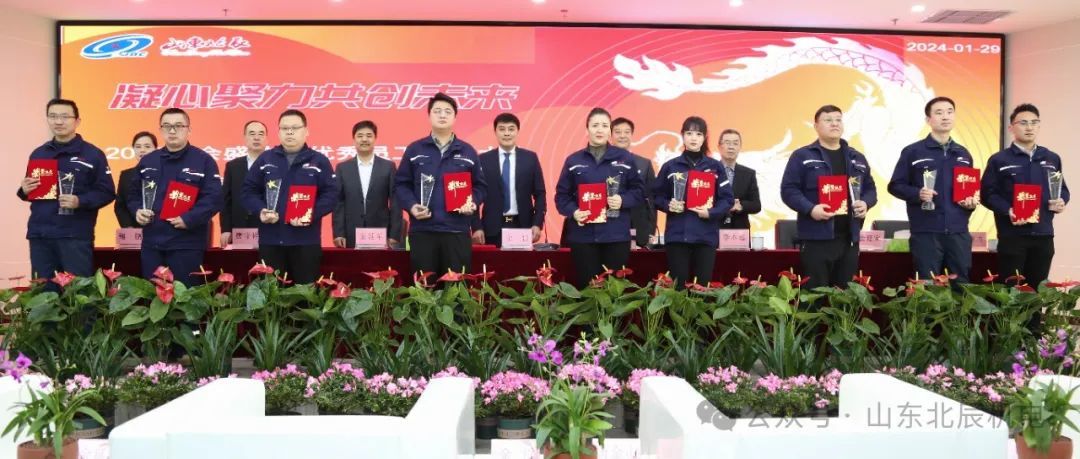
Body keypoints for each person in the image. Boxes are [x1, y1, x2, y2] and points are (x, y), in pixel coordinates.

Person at [780, 105, 877, 289]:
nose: (834, 124)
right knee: (814, 295)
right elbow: (789, 190)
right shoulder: (803, 156)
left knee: (844, 296)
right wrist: (811, 209)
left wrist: (866, 203)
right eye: (828, 120)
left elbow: (871, 189)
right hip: (816, 239)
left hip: (849, 239)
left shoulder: (857, 157)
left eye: (838, 120)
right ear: (816, 126)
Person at [19, 98, 115, 283]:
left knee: (77, 292)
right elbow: (31, 191)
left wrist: (80, 201)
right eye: (53, 116)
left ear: (77, 121)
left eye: (64, 116)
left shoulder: (93, 154)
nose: (58, 121)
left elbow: (106, 192)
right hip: (40, 235)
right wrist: (24, 190)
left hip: (74, 236)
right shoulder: (39, 153)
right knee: (43, 293)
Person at [127, 107, 222, 286]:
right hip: (153, 243)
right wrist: (137, 211)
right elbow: (132, 194)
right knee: (153, 295)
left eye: (178, 126)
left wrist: (189, 218)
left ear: (189, 129)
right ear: (160, 129)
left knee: (185, 296)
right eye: (167, 126)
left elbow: (214, 198)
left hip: (186, 243)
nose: (172, 131)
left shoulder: (203, 160)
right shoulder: (148, 161)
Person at [887, 97, 978, 283]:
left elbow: (969, 191)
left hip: (958, 232)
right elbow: (895, 185)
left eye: (950, 112)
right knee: (928, 286)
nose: (945, 116)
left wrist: (971, 204)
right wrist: (917, 193)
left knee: (961, 285)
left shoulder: (963, 154)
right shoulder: (913, 152)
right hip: (926, 232)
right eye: (939, 112)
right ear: (928, 120)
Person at [394, 92, 486, 276]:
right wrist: (412, 206)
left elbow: (480, 186)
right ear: (429, 116)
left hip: (457, 231)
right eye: (437, 111)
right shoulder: (415, 149)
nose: (442, 115)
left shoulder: (467, 151)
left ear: (455, 117)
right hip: (422, 231)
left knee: (457, 287)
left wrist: (473, 202)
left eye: (447, 111)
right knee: (424, 287)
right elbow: (401, 184)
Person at [242, 110, 339, 284]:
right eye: (285, 128)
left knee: (305, 294)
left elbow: (331, 194)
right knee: (272, 295)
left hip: (305, 242)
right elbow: (248, 190)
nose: (290, 132)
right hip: (271, 240)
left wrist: (311, 214)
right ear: (278, 132)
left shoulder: (319, 161)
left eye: (295, 128)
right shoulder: (265, 159)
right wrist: (260, 210)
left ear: (306, 131)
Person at [981, 103, 1069, 290]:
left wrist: (1061, 201)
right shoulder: (999, 160)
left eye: (1034, 122)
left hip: (1043, 235)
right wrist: (1008, 210)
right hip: (1012, 236)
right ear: (1011, 127)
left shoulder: (1051, 158)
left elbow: (1062, 189)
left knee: (1037, 291)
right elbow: (987, 194)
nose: (1029, 127)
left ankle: (1035, 313)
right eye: (1023, 123)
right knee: (1011, 291)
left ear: (1039, 125)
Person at [554, 107, 645, 288]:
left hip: (616, 236)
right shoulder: (573, 160)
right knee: (587, 289)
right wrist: (574, 212)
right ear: (587, 129)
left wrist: (623, 200)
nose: (600, 130)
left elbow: (640, 191)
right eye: (595, 125)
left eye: (604, 125)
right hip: (583, 237)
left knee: (614, 290)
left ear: (609, 130)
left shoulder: (625, 158)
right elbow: (561, 197)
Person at [652, 117, 734, 287]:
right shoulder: (670, 166)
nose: (693, 138)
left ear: (704, 137)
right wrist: (668, 205)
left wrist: (710, 213)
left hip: (705, 238)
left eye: (698, 134)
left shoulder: (716, 167)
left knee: (702, 289)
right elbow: (655, 196)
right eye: (689, 133)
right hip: (677, 238)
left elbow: (727, 199)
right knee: (678, 289)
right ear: (682, 136)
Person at [471, 113, 546, 247]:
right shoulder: (483, 160)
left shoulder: (530, 158)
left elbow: (540, 193)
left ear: (517, 131)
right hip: (491, 228)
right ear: (495, 132)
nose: (507, 133)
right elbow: (474, 194)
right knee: (493, 261)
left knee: (520, 261)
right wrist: (476, 226)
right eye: (502, 129)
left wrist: (537, 223)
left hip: (523, 226)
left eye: (511, 129)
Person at [334, 120, 403, 249]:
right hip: (350, 232)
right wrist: (338, 233)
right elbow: (338, 203)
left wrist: (394, 234)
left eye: (369, 135)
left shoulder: (388, 167)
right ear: (354, 139)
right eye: (360, 136)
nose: (364, 139)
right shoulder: (342, 168)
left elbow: (395, 202)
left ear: (375, 138)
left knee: (378, 262)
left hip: (380, 231)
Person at [611, 117, 657, 248]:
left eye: (627, 132)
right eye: (618, 132)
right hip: (610, 226)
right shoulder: (603, 163)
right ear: (611, 135)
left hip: (638, 227)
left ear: (632, 135)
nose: (622, 136)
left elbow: (651, 200)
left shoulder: (644, 163)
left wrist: (651, 231)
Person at [221, 120, 267, 247]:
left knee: (268, 260)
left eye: (261, 134)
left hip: (269, 229)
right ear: (245, 138)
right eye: (252, 134)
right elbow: (226, 201)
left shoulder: (276, 166)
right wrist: (226, 229)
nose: (256, 137)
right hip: (241, 229)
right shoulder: (233, 166)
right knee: (243, 259)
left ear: (266, 139)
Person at [716, 129, 762, 230]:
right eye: (727, 143)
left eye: (735, 143)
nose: (731, 147)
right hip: (714, 229)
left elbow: (756, 205)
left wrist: (740, 205)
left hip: (739, 230)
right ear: (719, 146)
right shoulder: (709, 172)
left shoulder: (749, 174)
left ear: (740, 147)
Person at [116, 131, 158, 228]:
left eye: (147, 146)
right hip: (134, 231)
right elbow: (120, 206)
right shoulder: (126, 175)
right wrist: (128, 227)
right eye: (138, 147)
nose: (142, 150)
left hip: (161, 231)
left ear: (156, 149)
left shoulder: (166, 172)